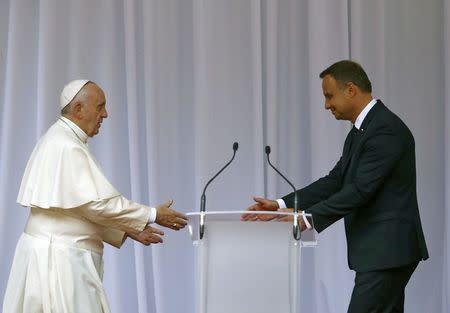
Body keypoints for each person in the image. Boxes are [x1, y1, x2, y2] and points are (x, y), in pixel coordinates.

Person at [243, 60, 429, 313]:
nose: (326, 104)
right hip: (380, 253)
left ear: (350, 89)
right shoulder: (362, 131)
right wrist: (281, 204)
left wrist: (307, 219)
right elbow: (335, 181)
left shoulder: (385, 129)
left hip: (387, 252)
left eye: (329, 96)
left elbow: (361, 191)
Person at [2, 80, 188, 313]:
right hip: (59, 262)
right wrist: (151, 214)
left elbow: (75, 208)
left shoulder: (62, 139)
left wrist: (127, 228)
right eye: (100, 106)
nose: (106, 114)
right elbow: (96, 204)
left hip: (55, 254)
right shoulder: (65, 145)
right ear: (79, 109)